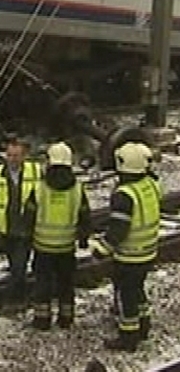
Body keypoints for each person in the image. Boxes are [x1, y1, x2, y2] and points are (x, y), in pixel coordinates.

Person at [89, 141, 162, 352]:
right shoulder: (151, 185)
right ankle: (144, 323)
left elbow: (118, 231)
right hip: (148, 251)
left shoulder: (125, 195)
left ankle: (128, 336)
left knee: (125, 294)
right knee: (138, 289)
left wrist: (101, 249)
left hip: (130, 256)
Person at [25, 141, 92, 330]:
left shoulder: (39, 188)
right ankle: (66, 318)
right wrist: (84, 239)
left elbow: (29, 215)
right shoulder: (77, 189)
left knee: (43, 284)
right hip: (66, 246)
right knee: (66, 283)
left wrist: (27, 238)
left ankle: (42, 320)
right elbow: (84, 215)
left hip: (43, 246)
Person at [0, 135, 42, 307]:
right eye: (9, 156)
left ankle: (13, 301)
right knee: (15, 264)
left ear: (24, 156)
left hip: (28, 226)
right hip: (7, 227)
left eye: (16, 156)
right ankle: (22, 295)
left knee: (19, 266)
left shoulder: (36, 171)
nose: (12, 159)